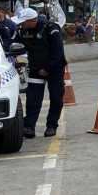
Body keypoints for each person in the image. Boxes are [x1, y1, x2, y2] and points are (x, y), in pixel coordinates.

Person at [16, 7, 66, 139]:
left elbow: (58, 53)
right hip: (36, 69)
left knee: (56, 98)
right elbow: (13, 43)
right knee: (33, 99)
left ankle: (51, 126)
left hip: (54, 69)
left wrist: (47, 69)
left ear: (32, 20)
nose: (20, 24)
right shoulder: (22, 31)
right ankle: (29, 127)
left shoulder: (51, 29)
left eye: (23, 22)